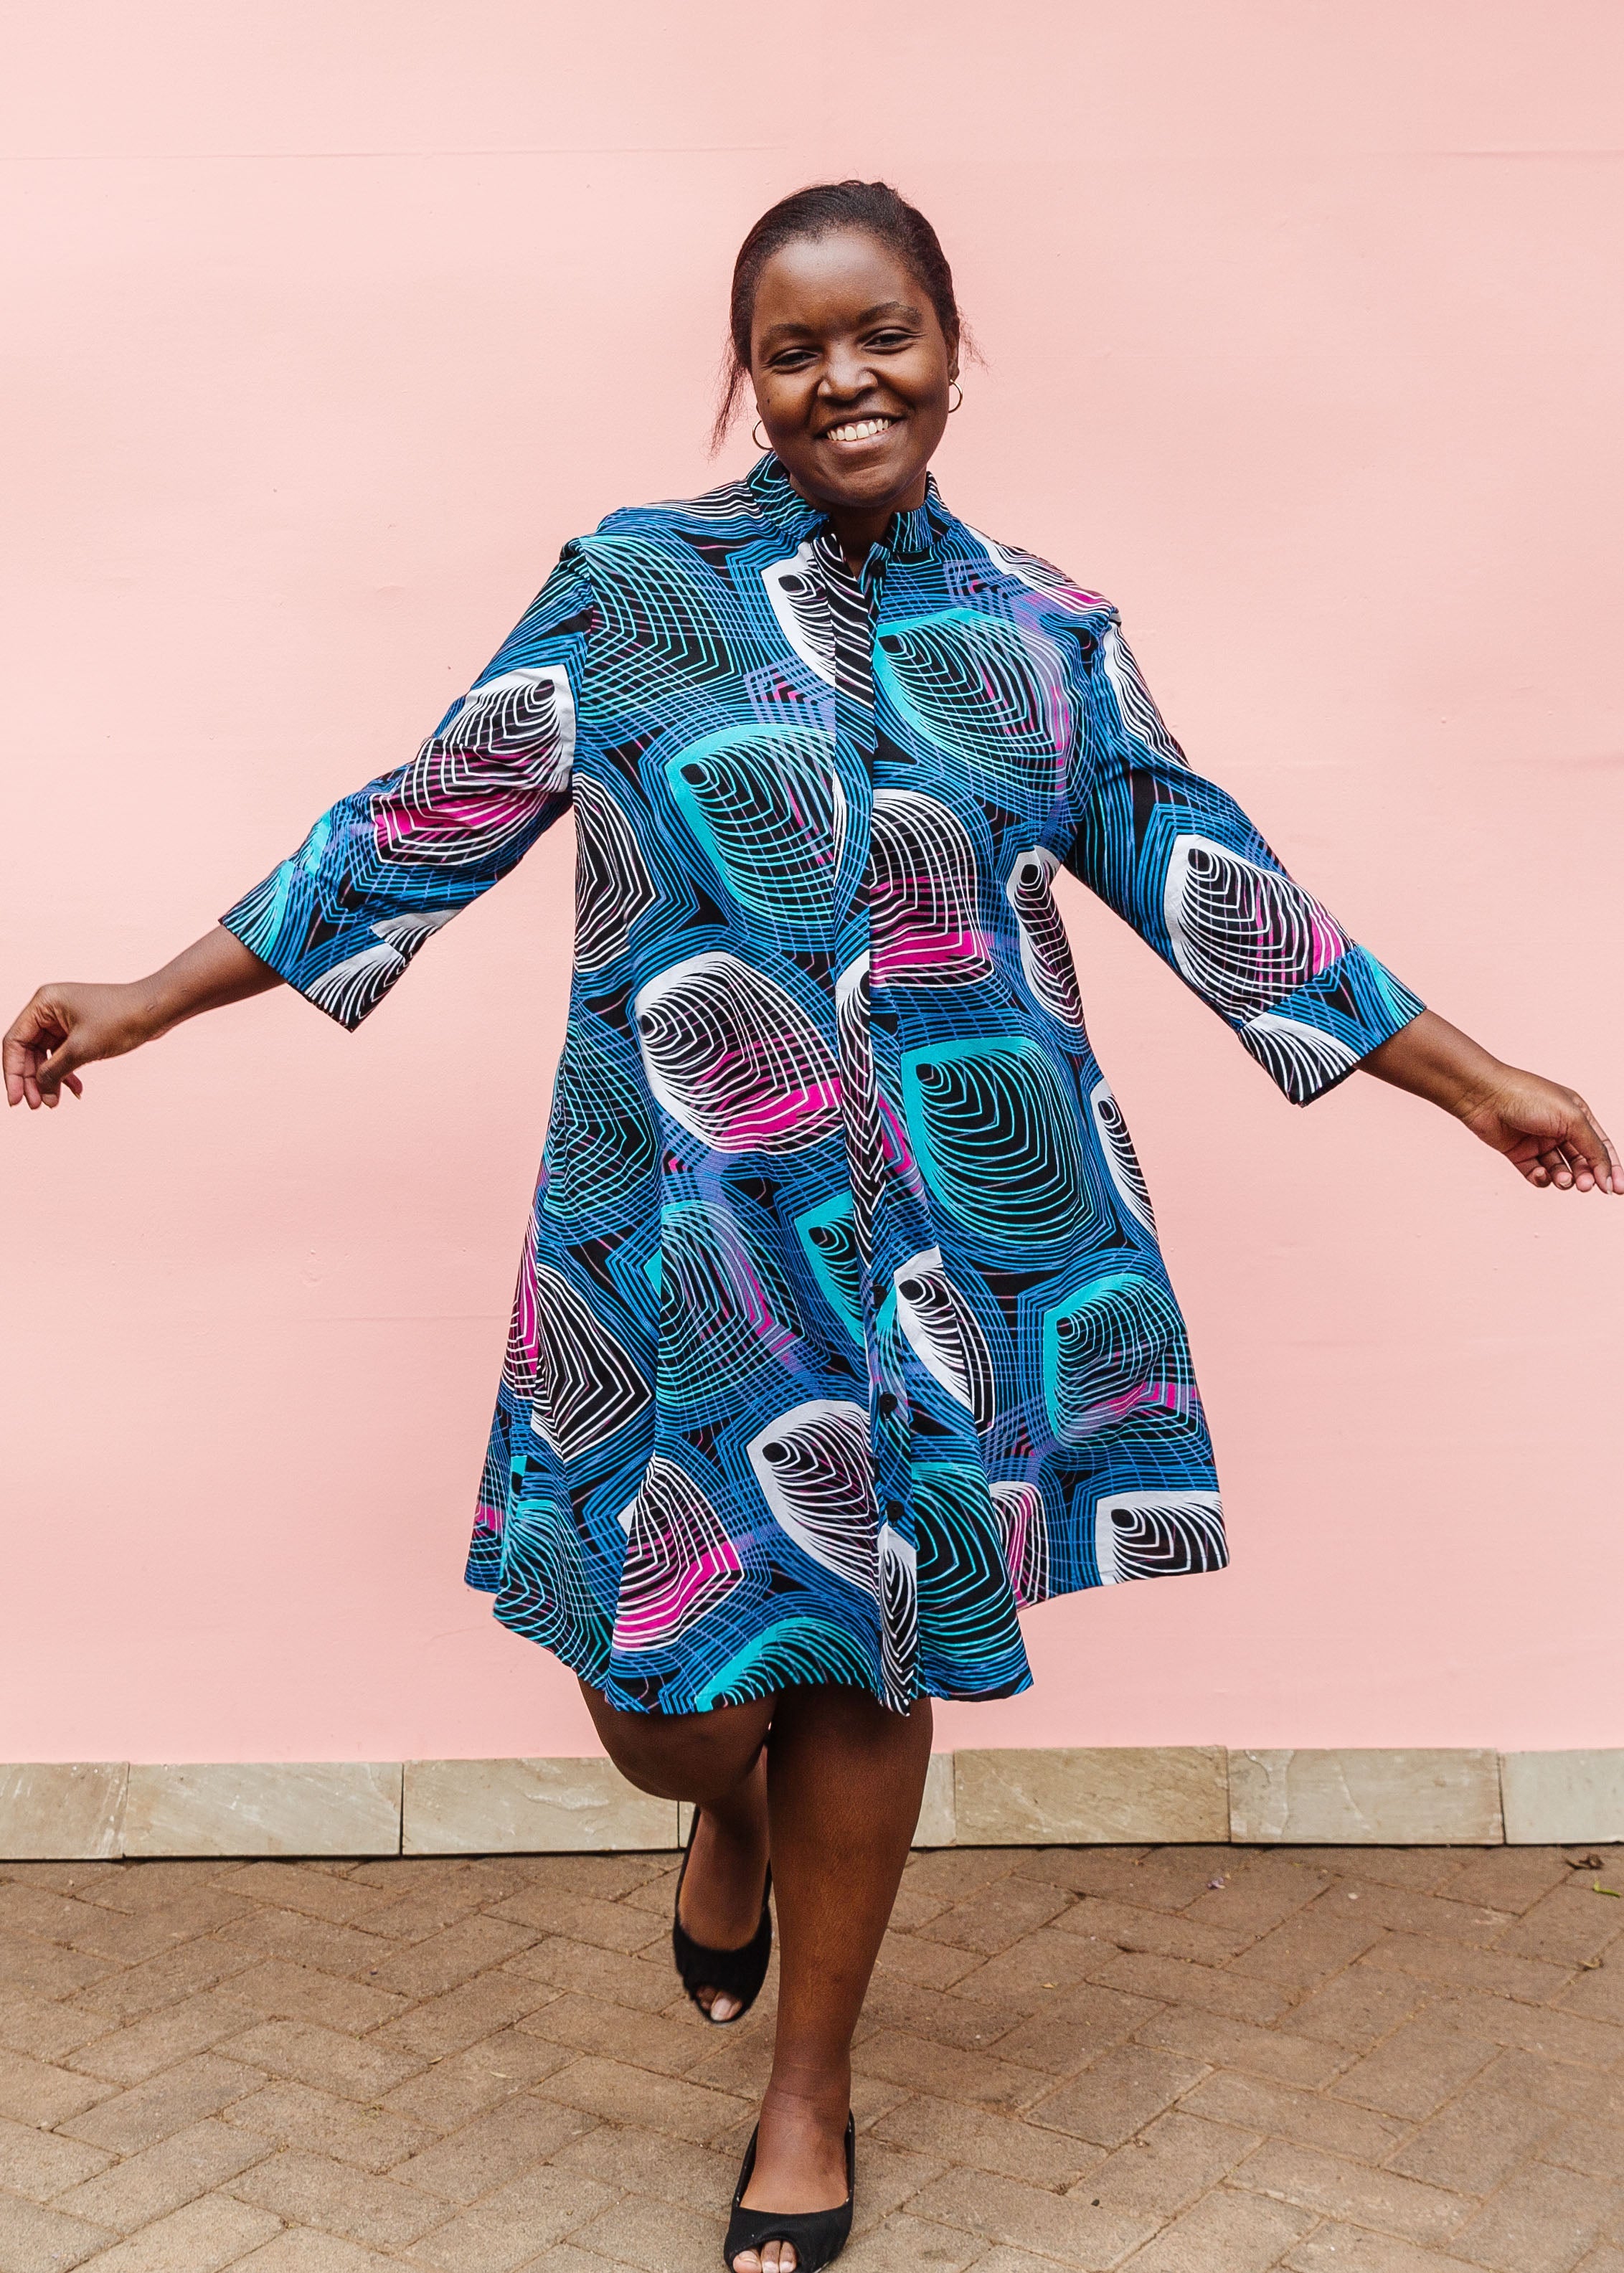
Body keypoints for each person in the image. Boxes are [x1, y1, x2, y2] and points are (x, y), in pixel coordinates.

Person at [6, 179, 1618, 2273]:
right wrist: (141, 997)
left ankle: (807, 2096)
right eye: (794, 348)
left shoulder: (1048, 637)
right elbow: (413, 822)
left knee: (873, 1659)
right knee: (661, 1693)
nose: (843, 379)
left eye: (884, 335)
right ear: (746, 375)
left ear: (952, 342)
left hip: (948, 1251)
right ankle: (723, 1807)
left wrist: (1478, 1080)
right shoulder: (628, 593)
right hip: (677, 1234)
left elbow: (1227, 892)